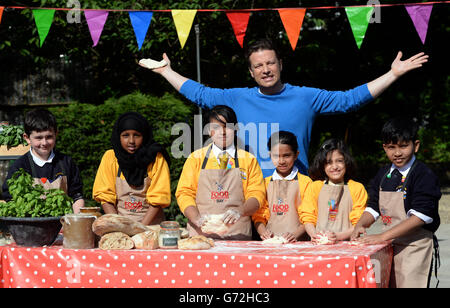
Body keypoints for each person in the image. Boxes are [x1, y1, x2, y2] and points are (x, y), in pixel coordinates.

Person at [142, 38, 429, 177]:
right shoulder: (237, 98)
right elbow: (201, 93)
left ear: (280, 64)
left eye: (270, 63)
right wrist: (166, 71)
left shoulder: (306, 96)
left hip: (296, 189)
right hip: (248, 191)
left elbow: (349, 99)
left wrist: (393, 74)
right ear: (251, 72)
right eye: (258, 66)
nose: (266, 69)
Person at [351, 116, 441, 288]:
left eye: (403, 146)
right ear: (384, 147)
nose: (397, 153)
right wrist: (360, 224)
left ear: (416, 145)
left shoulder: (423, 175)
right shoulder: (383, 174)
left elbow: (420, 217)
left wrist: (382, 236)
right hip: (387, 248)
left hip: (414, 248)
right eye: (391, 147)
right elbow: (373, 207)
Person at [175, 105, 265, 240]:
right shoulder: (195, 158)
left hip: (238, 235)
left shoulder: (248, 160)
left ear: (236, 129)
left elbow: (257, 195)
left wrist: (239, 211)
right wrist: (196, 218)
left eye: (227, 127)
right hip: (200, 236)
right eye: (216, 127)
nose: (222, 132)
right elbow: (184, 193)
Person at [92, 112, 171, 225]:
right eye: (125, 135)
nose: (131, 141)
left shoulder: (156, 159)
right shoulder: (110, 158)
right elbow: (105, 196)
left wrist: (140, 228)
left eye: (137, 135)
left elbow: (159, 197)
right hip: (119, 224)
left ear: (144, 136)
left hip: (152, 226)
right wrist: (119, 226)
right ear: (118, 136)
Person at [1, 109, 85, 213]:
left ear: (56, 134)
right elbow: (10, 198)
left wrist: (75, 220)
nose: (44, 143)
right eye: (38, 138)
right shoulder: (19, 166)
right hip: (30, 224)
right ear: (27, 138)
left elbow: (77, 196)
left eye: (49, 137)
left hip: (63, 223)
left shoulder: (66, 162)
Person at [299, 139, 367, 244]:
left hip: (348, 246)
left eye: (339, 161)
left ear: (346, 162)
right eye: (329, 162)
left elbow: (359, 223)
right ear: (322, 165)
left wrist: (337, 237)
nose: (335, 167)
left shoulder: (357, 188)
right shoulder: (314, 187)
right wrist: (315, 236)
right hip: (318, 245)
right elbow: (308, 217)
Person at [253, 131, 311, 242]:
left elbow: (310, 216)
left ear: (296, 155)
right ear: (270, 155)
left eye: (286, 155)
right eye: (276, 156)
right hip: (271, 244)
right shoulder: (264, 183)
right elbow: (259, 216)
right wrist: (263, 232)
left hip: (300, 244)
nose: (281, 161)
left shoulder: (306, 182)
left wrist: (295, 235)